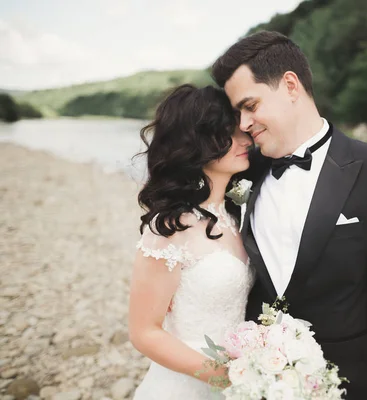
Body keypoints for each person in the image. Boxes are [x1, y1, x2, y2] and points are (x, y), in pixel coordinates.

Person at [212, 31, 367, 399]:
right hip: (253, 383)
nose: (243, 123)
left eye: (250, 106)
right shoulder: (241, 170)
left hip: (344, 384)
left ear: (290, 85)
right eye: (237, 112)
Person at [128, 84, 254, 399]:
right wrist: (226, 377)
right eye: (228, 133)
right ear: (195, 144)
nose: (245, 140)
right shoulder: (169, 227)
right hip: (189, 383)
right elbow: (144, 332)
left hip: (244, 378)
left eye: (242, 130)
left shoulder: (237, 216)